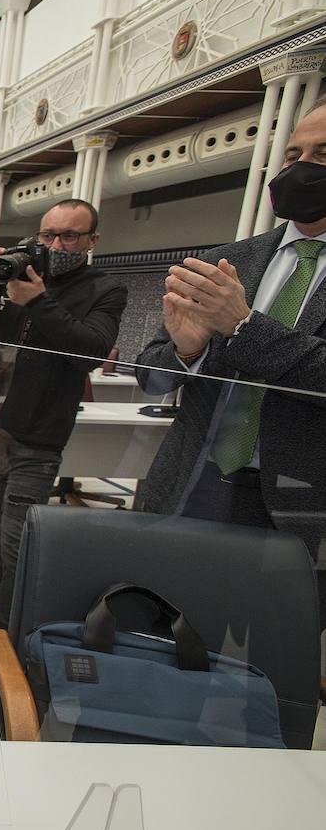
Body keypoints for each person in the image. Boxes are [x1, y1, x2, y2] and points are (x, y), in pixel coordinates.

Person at [136, 98, 326, 626]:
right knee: (160, 630)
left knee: (270, 660)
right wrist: (188, 351)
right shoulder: (230, 259)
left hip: (301, 502)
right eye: (292, 155)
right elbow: (150, 374)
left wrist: (244, 328)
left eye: (321, 154)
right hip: (193, 480)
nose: (300, 168)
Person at [0, 200, 127, 620]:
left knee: (18, 540)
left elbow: (90, 352)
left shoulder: (104, 290)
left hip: (37, 438)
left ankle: (6, 647)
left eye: (69, 235)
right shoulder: (14, 276)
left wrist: (38, 302)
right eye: (47, 235)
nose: (56, 244)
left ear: (92, 241)